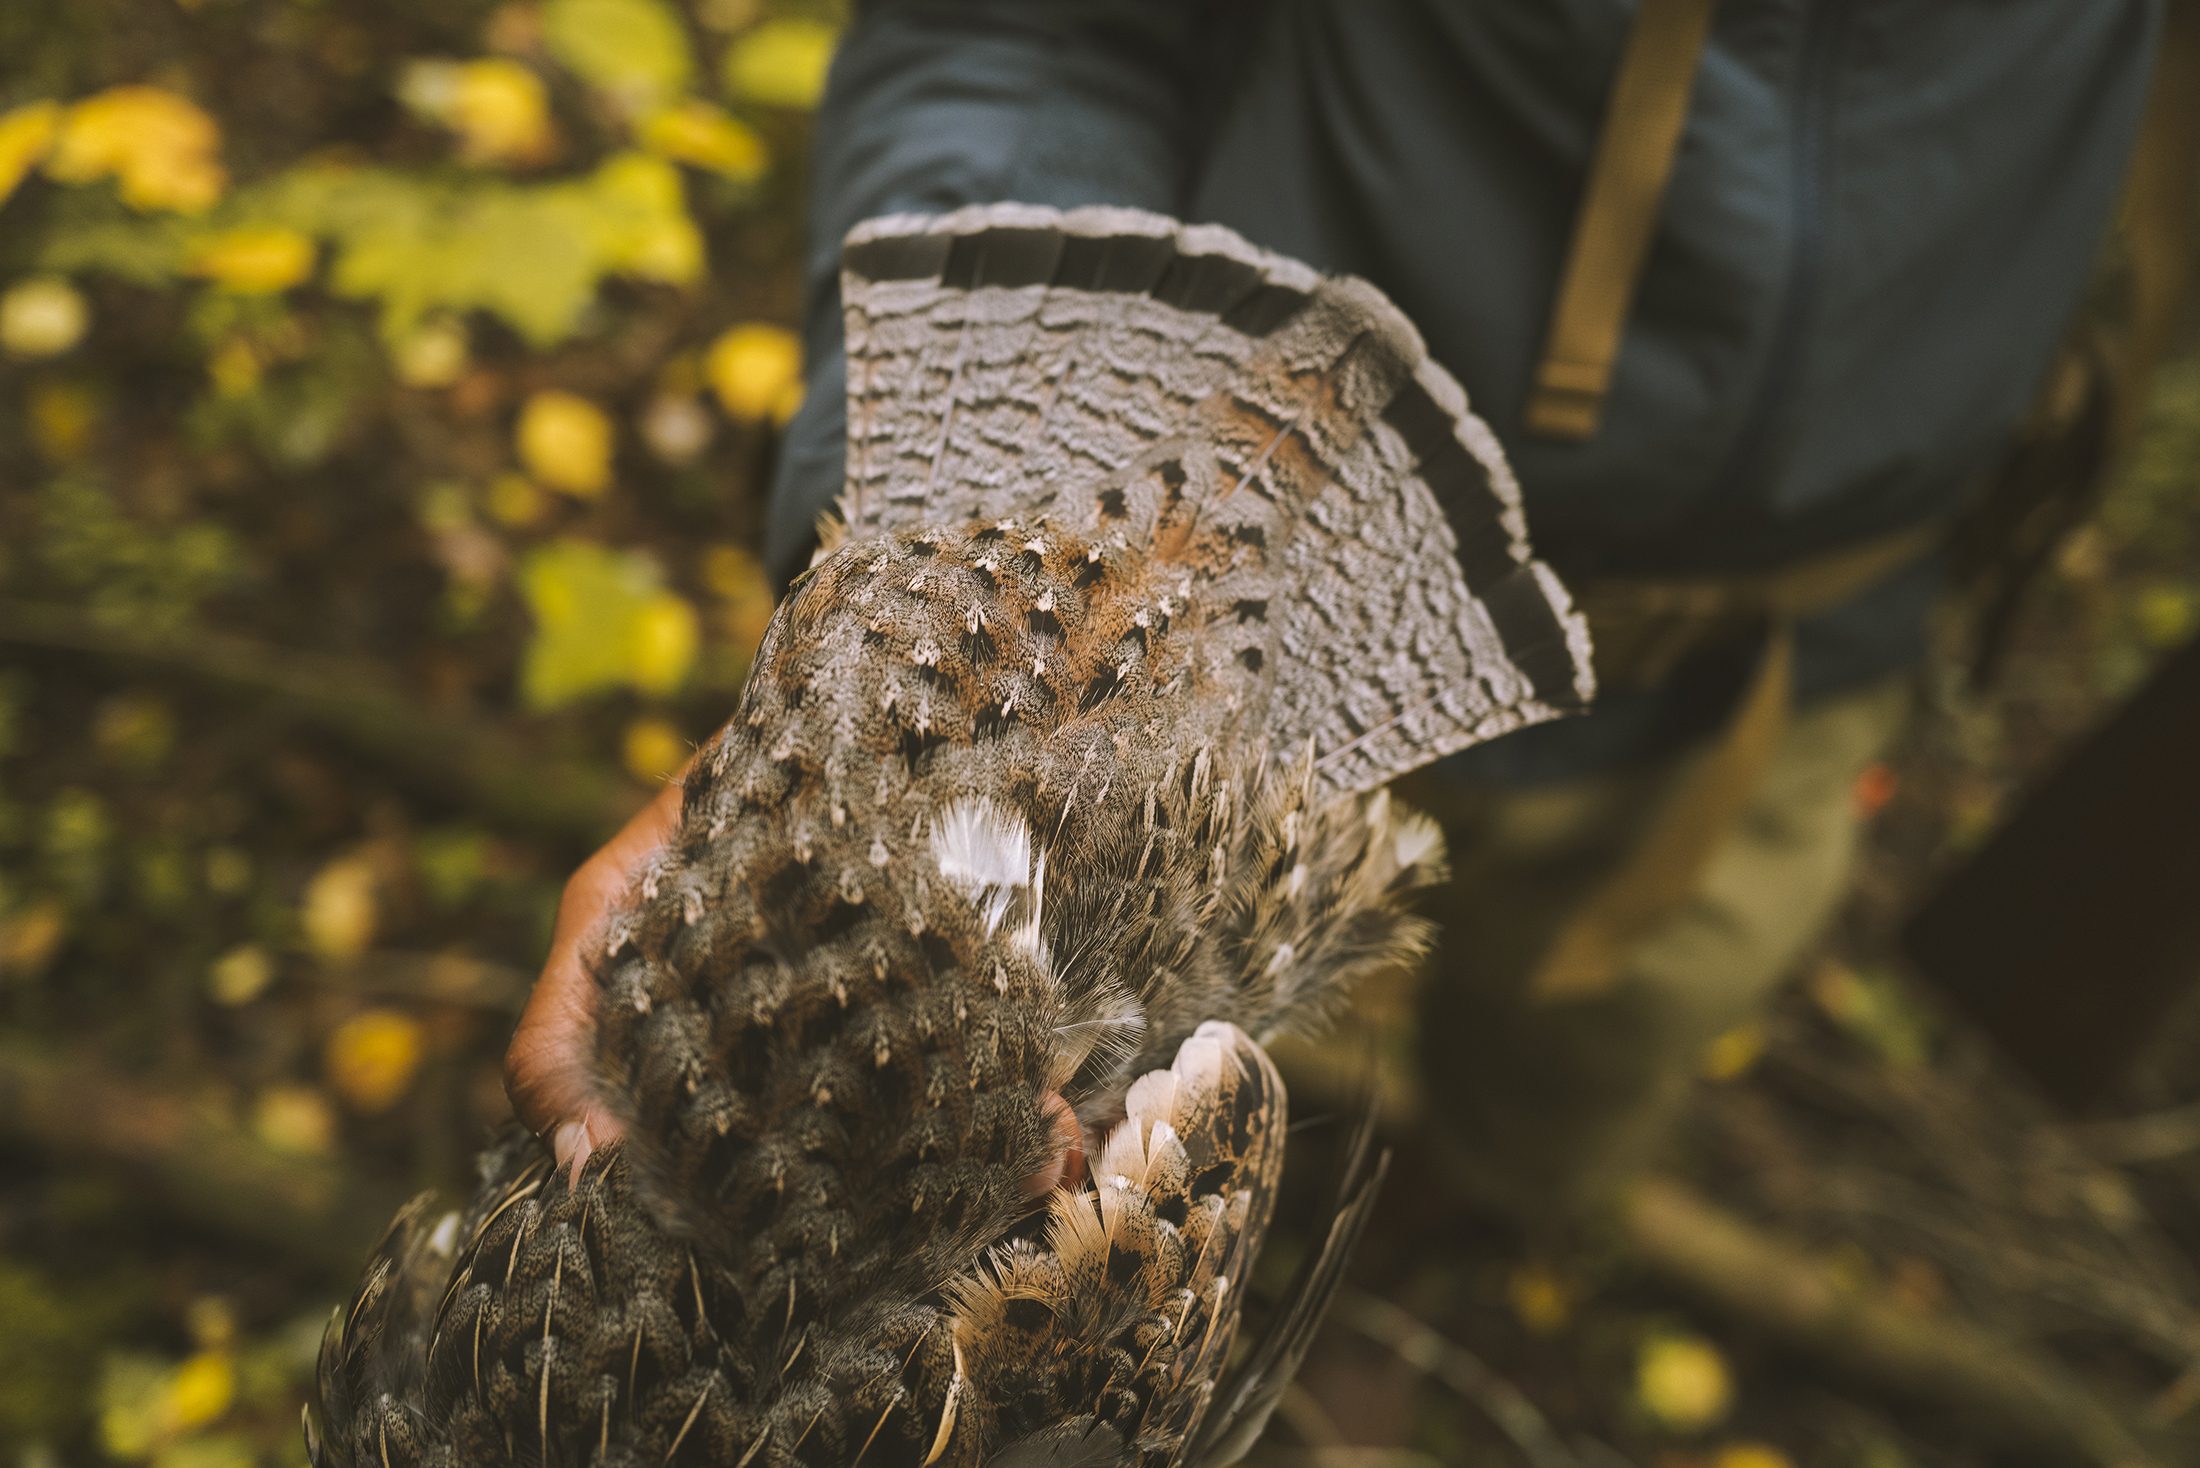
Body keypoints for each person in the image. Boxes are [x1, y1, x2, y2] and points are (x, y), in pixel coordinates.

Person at [508, 0, 2165, 1222]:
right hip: (1216, 609)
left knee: (1596, 1052)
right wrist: (939, 673)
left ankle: (1456, 1236)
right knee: (1043, 1122)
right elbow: (1021, 36)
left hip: (1783, 665)